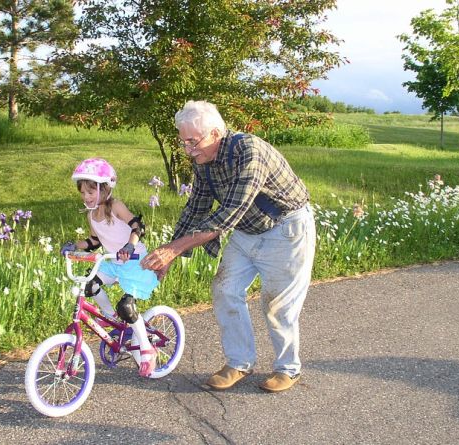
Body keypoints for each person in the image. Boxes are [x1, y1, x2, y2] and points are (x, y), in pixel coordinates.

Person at [141, 100, 316, 392]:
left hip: (286, 229)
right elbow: (196, 208)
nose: (188, 150)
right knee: (225, 289)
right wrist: (171, 253)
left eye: (193, 141)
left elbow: (228, 215)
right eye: (183, 142)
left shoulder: (250, 151)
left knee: (277, 305)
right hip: (247, 231)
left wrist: (174, 249)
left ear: (215, 133)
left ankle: (288, 368)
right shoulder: (203, 162)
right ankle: (239, 363)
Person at [61, 158, 160, 377]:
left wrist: (129, 246)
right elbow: (94, 242)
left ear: (105, 188)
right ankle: (110, 316)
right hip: (114, 262)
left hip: (135, 262)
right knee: (91, 286)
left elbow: (137, 226)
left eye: (91, 191)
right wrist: (73, 246)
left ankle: (146, 348)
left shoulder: (115, 206)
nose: (87, 197)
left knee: (127, 306)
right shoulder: (91, 214)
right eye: (83, 193)